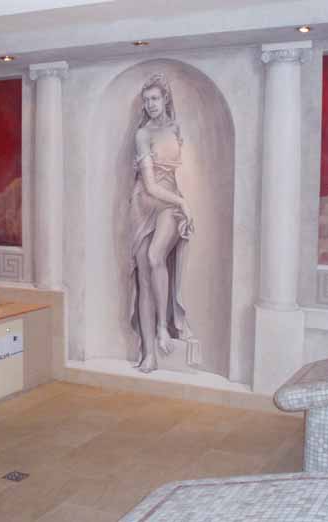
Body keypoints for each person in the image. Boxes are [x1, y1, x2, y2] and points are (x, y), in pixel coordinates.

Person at [128, 73, 197, 373]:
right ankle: (149, 354)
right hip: (145, 202)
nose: (151, 104)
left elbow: (181, 171)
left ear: (165, 99)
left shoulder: (176, 128)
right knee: (143, 276)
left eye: (155, 98)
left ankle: (162, 328)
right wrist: (182, 202)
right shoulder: (142, 134)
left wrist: (181, 200)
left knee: (156, 256)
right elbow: (150, 186)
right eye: (146, 100)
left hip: (170, 202)